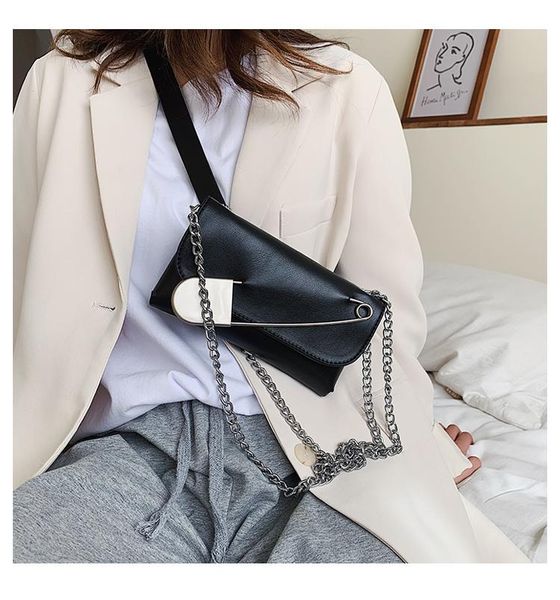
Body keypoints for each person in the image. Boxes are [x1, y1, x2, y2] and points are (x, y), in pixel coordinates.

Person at [13, 29, 525, 563]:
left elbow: (384, 320)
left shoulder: (345, 87)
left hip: (316, 450)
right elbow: (21, 291)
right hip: (128, 448)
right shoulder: (62, 81)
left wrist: (417, 445)